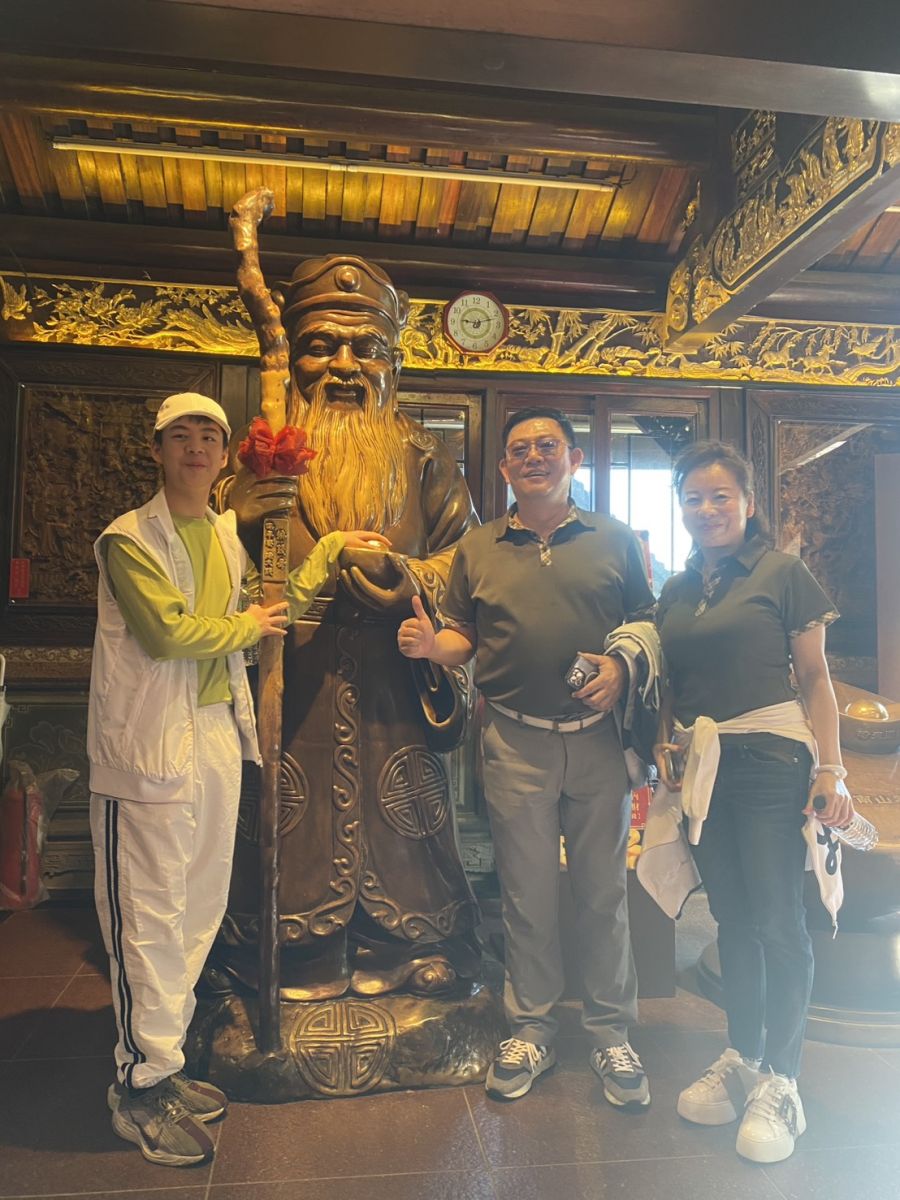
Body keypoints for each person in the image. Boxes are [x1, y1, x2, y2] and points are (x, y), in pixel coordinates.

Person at [87, 392, 388, 1166]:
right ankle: (137, 1087)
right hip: (146, 753)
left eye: (209, 437)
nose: (195, 448)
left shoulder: (223, 535)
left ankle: (164, 1065)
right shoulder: (129, 538)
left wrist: (329, 549)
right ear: (158, 449)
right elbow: (166, 633)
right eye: (181, 436)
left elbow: (271, 609)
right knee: (146, 919)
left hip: (217, 740)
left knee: (196, 911)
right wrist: (249, 626)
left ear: (226, 456)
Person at [219, 249, 481, 1003]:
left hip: (395, 677)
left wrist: (408, 579)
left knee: (402, 816)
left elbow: (466, 562)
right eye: (320, 346)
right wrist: (238, 515)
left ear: (392, 362)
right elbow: (204, 558)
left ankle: (411, 938)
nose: (343, 365)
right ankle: (289, 948)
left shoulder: (427, 458)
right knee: (287, 812)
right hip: (293, 672)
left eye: (365, 348)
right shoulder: (260, 455)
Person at [398, 406, 656, 1108]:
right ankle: (533, 1029)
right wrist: (434, 647)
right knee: (526, 894)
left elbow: (647, 626)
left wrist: (622, 669)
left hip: (599, 741)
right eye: (520, 450)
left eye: (547, 446)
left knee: (603, 893)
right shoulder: (477, 547)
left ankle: (610, 1033)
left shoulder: (615, 539)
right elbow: (465, 635)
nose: (533, 457)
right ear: (506, 468)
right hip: (513, 740)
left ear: (574, 459)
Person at [653, 440, 852, 1164]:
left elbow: (816, 677)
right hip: (705, 768)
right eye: (693, 498)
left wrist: (831, 767)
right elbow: (670, 679)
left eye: (721, 496)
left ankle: (784, 1081)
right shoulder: (677, 589)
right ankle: (742, 1056)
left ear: (748, 502)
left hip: (772, 759)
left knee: (777, 920)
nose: (706, 509)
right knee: (731, 918)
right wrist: (663, 739)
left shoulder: (782, 573)